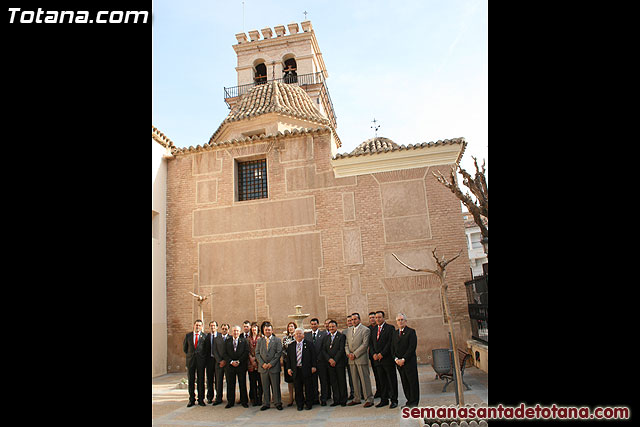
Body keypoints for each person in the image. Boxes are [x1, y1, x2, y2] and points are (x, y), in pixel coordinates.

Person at [369, 311, 398, 408]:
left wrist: (382, 353)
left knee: (391, 380)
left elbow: (390, 343)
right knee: (382, 381)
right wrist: (373, 354)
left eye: (379, 317)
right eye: (376, 317)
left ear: (383, 318)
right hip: (377, 360)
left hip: (387, 359)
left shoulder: (390, 328)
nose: (377, 319)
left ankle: (394, 400)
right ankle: (384, 399)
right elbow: (371, 344)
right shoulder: (373, 330)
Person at [345, 313, 374, 407]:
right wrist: (348, 353)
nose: (353, 321)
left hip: (360, 358)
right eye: (352, 319)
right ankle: (356, 398)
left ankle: (369, 398)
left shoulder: (365, 330)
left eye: (355, 319)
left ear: (359, 320)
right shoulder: (349, 330)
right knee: (354, 379)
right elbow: (346, 344)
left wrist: (355, 354)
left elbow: (365, 345)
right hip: (351, 359)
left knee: (364, 379)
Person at [392, 313, 420, 408]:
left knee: (412, 382)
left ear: (405, 321)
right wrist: (396, 359)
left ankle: (414, 402)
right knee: (405, 382)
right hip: (399, 363)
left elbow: (412, 347)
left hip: (409, 362)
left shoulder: (411, 332)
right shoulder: (395, 333)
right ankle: (409, 401)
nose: (400, 321)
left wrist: (404, 359)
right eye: (398, 320)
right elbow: (392, 348)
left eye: (402, 320)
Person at [287, 328, 317, 411]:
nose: (298, 335)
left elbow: (313, 356)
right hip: (296, 370)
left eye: (300, 333)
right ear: (294, 336)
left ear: (303, 335)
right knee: (298, 388)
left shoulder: (309, 344)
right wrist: (289, 368)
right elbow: (288, 358)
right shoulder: (291, 346)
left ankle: (309, 403)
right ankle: (299, 404)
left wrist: (314, 366)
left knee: (308, 387)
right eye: (297, 334)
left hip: (306, 369)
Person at [255, 322, 283, 411]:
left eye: (269, 330)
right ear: (263, 331)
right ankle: (266, 403)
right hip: (263, 368)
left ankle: (277, 402)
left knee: (275, 386)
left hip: (273, 367)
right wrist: (262, 363)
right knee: (265, 386)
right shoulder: (260, 341)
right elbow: (257, 353)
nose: (267, 331)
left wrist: (271, 363)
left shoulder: (277, 340)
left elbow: (278, 353)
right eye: (266, 330)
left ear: (272, 330)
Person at [183, 319, 207, 407]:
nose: (198, 327)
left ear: (202, 327)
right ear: (194, 326)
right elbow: (185, 349)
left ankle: (201, 399)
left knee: (201, 380)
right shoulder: (188, 336)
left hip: (200, 362)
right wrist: (190, 356)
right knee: (191, 380)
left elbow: (206, 350)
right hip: (191, 361)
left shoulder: (204, 336)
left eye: (199, 325)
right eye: (196, 325)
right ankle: (191, 399)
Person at [322, 320, 347, 406]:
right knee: (333, 382)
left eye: (333, 326)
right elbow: (324, 350)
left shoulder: (341, 336)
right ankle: (336, 399)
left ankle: (343, 399)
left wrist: (335, 360)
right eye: (330, 327)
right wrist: (329, 359)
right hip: (330, 363)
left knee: (341, 381)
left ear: (336, 327)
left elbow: (341, 350)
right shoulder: (326, 337)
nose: (331, 328)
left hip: (339, 363)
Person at [223, 325, 249, 408]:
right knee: (230, 384)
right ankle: (230, 402)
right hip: (230, 366)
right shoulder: (227, 341)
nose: (236, 332)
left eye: (237, 331)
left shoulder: (244, 341)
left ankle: (244, 401)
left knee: (242, 383)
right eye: (234, 331)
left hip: (241, 365)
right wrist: (231, 361)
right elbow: (224, 353)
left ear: (239, 332)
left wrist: (239, 361)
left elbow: (246, 352)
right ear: (232, 332)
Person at [304, 318, 328, 406]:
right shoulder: (306, 335)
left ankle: (324, 398)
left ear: (318, 324)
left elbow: (324, 348)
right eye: (312, 324)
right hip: (311, 363)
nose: (313, 326)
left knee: (323, 381)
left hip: (321, 362)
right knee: (313, 382)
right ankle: (315, 398)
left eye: (315, 324)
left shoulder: (323, 334)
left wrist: (319, 358)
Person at [247, 322, 263, 407]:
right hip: (250, 363)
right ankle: (254, 399)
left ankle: (260, 398)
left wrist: (256, 359)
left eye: (255, 329)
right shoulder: (248, 339)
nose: (254, 330)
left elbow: (262, 350)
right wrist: (251, 359)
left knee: (260, 382)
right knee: (252, 382)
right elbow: (247, 350)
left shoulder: (261, 338)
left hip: (259, 363)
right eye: (252, 329)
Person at [281, 321, 297, 407]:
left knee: (297, 380)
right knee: (289, 381)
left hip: (297, 362)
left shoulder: (297, 337)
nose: (290, 328)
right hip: (288, 362)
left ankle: (299, 397)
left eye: (292, 326)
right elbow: (283, 350)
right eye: (289, 326)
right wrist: (287, 360)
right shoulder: (285, 338)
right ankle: (291, 398)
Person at [205, 321, 219, 404]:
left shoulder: (220, 336)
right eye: (211, 326)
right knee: (209, 379)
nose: (212, 327)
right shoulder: (206, 337)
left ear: (217, 327)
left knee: (218, 379)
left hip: (218, 361)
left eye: (214, 326)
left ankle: (218, 396)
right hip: (209, 360)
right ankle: (210, 397)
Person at [368, 311, 381, 398]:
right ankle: (379, 390)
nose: (372, 319)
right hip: (373, 356)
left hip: (382, 355)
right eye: (371, 318)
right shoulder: (368, 329)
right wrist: (373, 354)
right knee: (376, 374)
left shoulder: (380, 327)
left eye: (374, 317)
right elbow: (370, 343)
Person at [343, 316, 355, 401]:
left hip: (358, 356)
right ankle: (352, 392)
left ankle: (362, 392)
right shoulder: (344, 332)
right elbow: (344, 345)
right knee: (351, 376)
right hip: (348, 357)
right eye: (348, 321)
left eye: (351, 320)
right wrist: (348, 354)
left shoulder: (358, 329)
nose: (350, 322)